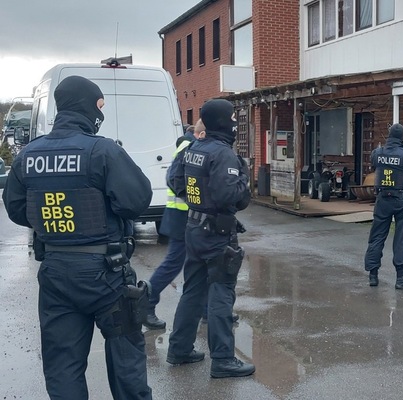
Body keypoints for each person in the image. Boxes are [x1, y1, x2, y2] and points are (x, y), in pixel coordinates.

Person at [2, 76, 153, 399]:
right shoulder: (102, 151)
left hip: (56, 270)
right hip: (106, 273)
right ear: (88, 106)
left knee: (63, 367)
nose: (101, 112)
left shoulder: (28, 156)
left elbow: (16, 209)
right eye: (100, 105)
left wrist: (55, 222)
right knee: (126, 361)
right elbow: (136, 201)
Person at [167, 99, 254, 378]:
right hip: (217, 234)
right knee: (221, 293)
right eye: (231, 118)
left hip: (193, 228)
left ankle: (179, 349)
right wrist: (244, 177)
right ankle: (223, 359)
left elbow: (174, 180)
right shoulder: (224, 154)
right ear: (222, 121)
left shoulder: (193, 147)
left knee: (193, 290)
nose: (234, 122)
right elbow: (231, 196)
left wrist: (198, 203)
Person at [142, 123, 204, 329]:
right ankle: (146, 304)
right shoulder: (189, 147)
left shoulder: (187, 145)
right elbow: (174, 179)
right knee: (174, 263)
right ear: (201, 133)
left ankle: (205, 307)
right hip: (182, 216)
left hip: (183, 215)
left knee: (198, 262)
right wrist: (193, 199)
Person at [364, 123, 403, 289]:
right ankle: (401, 278)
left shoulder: (377, 153)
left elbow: (374, 165)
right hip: (402, 198)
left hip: (382, 198)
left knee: (377, 236)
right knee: (401, 238)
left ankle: (373, 275)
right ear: (402, 137)